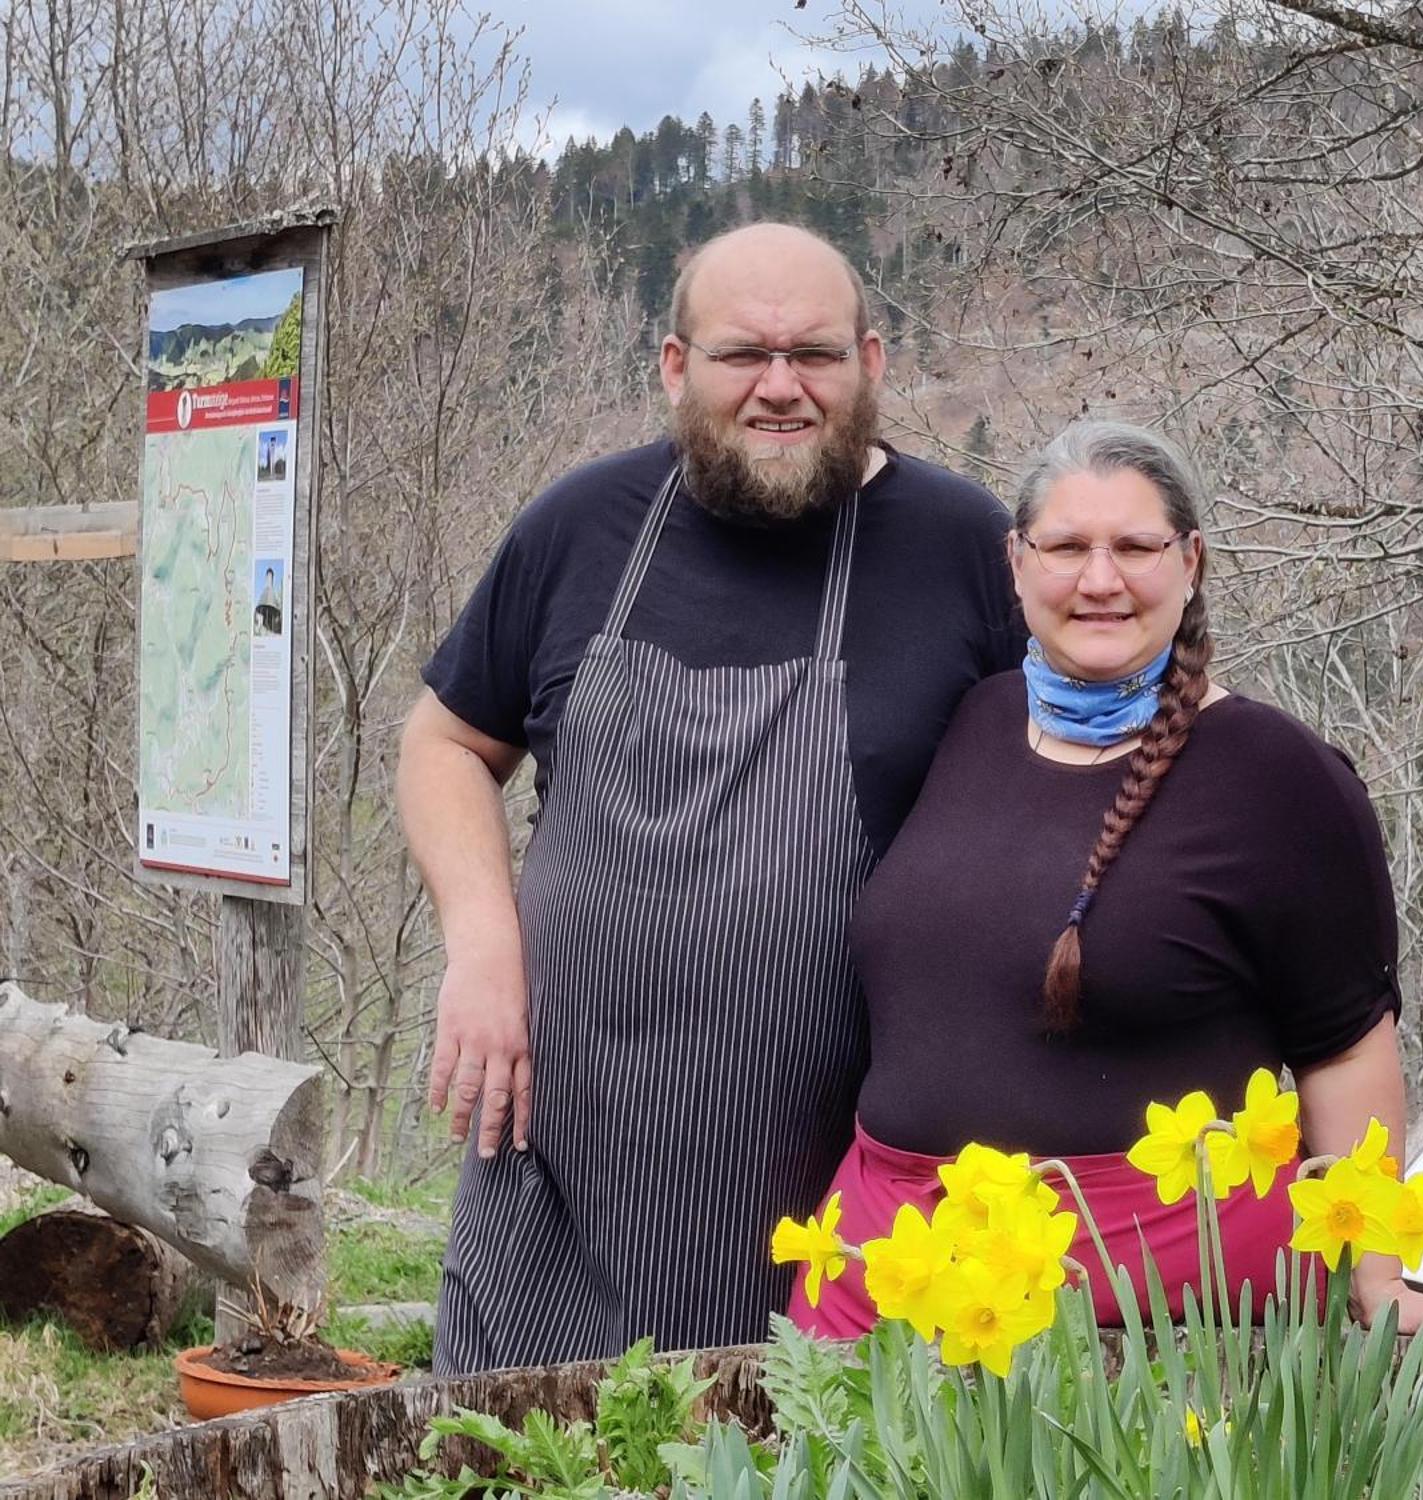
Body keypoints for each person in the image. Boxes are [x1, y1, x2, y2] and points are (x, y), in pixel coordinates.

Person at [398, 222, 1023, 1374]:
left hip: (825, 1186)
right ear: (675, 367)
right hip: (557, 1159)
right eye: (743, 354)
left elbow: (1080, 763)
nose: (780, 388)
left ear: (872, 364)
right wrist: (479, 943)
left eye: (816, 356)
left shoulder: (967, 548)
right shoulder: (578, 527)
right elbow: (444, 742)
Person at [791, 420, 1423, 1346]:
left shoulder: (1277, 773)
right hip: (894, 1265)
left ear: (1190, 560)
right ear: (1018, 563)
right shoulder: (974, 721)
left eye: (1136, 546)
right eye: (1068, 546)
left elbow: (1348, 1048)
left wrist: (1380, 1270)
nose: (1100, 579)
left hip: (1150, 1307)